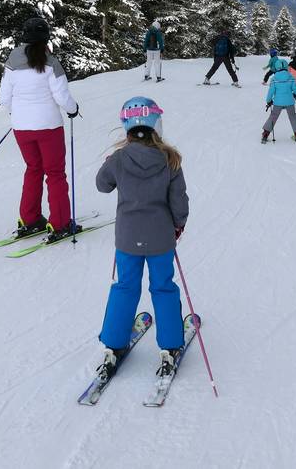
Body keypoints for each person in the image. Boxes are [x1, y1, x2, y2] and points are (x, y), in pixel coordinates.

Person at [95, 96, 189, 380]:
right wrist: (178, 225)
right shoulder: (170, 160)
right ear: (156, 125)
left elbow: (102, 185)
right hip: (160, 239)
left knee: (125, 286)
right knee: (163, 287)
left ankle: (113, 344)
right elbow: (179, 201)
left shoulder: (119, 159)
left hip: (127, 239)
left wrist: (110, 164)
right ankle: (170, 346)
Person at [0, 18, 80, 241]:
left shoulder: (12, 60)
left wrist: (17, 113)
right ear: (46, 37)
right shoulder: (51, 62)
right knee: (55, 173)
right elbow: (62, 97)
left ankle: (30, 219)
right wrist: (73, 110)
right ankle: (61, 223)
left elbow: (4, 97)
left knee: (33, 169)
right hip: (48, 127)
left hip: (21, 128)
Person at [262, 59, 296, 144]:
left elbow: (271, 92)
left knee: (273, 116)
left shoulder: (274, 78)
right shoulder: (291, 77)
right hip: (289, 101)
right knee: (293, 116)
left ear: (277, 67)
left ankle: (266, 133)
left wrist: (269, 101)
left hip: (278, 102)